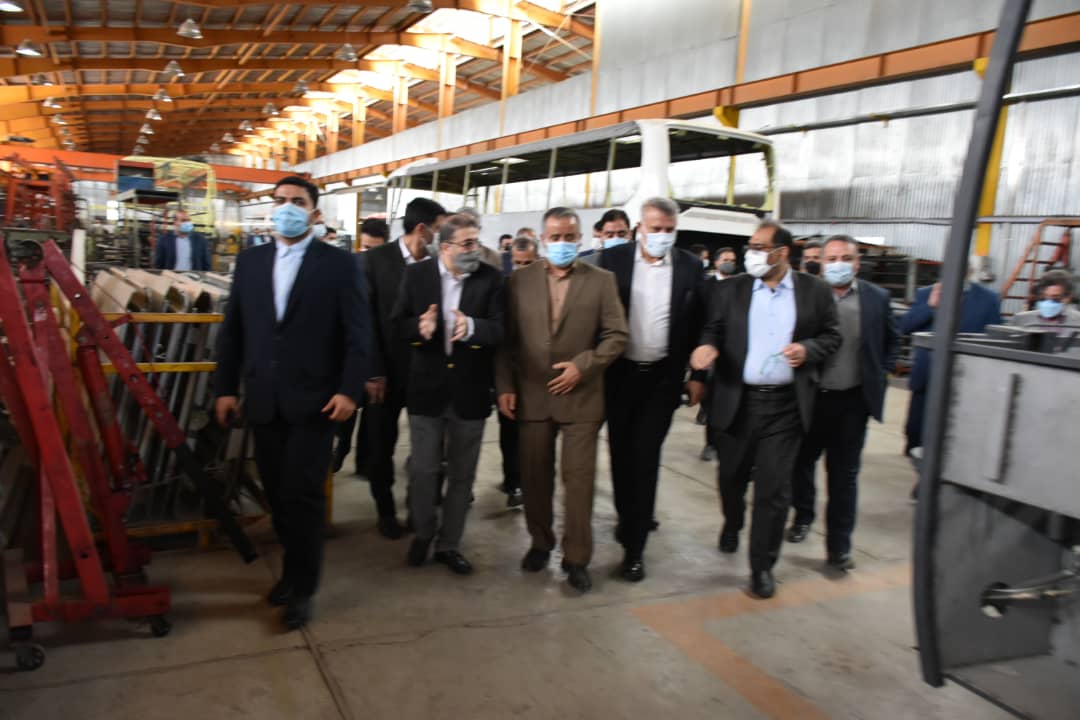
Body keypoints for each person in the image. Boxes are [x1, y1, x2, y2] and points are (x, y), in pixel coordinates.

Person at [214, 175, 370, 630]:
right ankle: (291, 569)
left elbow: (359, 334)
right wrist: (225, 388)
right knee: (277, 495)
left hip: (317, 402)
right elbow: (233, 331)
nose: (287, 208)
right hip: (264, 399)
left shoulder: (339, 265)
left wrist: (349, 390)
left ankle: (302, 587)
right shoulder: (251, 262)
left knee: (302, 495)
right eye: (280, 200)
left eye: (297, 202)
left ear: (314, 213)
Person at [690, 220, 840, 599]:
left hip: (786, 407)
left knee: (774, 490)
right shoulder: (732, 289)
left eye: (759, 247)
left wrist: (808, 350)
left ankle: (762, 566)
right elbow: (713, 328)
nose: (750, 254)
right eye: (750, 247)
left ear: (782, 253)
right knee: (731, 478)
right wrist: (707, 348)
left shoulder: (815, 291)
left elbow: (831, 335)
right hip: (737, 401)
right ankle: (732, 522)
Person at [496, 207, 628, 594]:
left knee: (579, 481)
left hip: (581, 397)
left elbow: (617, 335)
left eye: (570, 237)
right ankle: (540, 542)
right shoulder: (519, 281)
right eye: (555, 237)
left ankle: (577, 557)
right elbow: (506, 340)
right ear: (542, 239)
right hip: (532, 395)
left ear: (580, 238)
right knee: (534, 477)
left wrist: (583, 366)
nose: (562, 244)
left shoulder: (601, 281)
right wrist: (505, 386)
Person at [599, 197, 706, 582]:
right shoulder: (613, 261)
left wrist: (698, 375)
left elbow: (702, 323)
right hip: (618, 376)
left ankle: (635, 548)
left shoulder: (691, 267)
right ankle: (627, 517)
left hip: (662, 379)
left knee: (645, 458)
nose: (662, 236)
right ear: (639, 229)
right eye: (655, 228)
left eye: (669, 230)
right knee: (620, 455)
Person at [392, 214, 505, 575]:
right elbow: (397, 324)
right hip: (426, 391)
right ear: (445, 247)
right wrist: (419, 328)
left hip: (470, 392)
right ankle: (424, 533)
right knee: (423, 471)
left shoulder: (491, 279)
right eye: (468, 244)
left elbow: (501, 330)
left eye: (477, 242)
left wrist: (471, 327)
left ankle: (449, 544)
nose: (476, 250)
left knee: (461, 475)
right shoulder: (417, 276)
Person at [787, 235, 900, 571]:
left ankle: (839, 547)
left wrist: (880, 373)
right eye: (832, 258)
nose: (839, 264)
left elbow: (892, 340)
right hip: (810, 400)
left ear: (858, 262)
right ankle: (803, 517)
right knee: (800, 465)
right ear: (821, 263)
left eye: (846, 258)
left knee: (844, 477)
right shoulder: (804, 295)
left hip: (852, 403)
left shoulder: (876, 298)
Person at [364, 197, 448, 538]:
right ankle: (385, 510)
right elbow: (364, 321)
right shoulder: (374, 261)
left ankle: (420, 508)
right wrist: (373, 370)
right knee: (380, 443)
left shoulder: (439, 264)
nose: (442, 236)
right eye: (439, 229)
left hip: (426, 372)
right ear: (422, 229)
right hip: (384, 373)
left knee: (428, 446)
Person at [900, 259, 1001, 454]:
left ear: (969, 273)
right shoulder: (926, 294)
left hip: (966, 377)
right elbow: (905, 326)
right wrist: (930, 307)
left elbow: (994, 337)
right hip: (927, 376)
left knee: (956, 432)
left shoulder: (989, 299)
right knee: (917, 430)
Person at [497, 235, 540, 506]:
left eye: (528, 263)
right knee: (510, 432)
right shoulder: (503, 290)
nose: (522, 268)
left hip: (540, 378)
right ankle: (513, 482)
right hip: (512, 375)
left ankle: (532, 481)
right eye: (517, 263)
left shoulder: (548, 289)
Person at [698, 245, 741, 462]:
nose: (729, 263)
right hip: (707, 346)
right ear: (716, 262)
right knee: (711, 397)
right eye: (725, 259)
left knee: (722, 397)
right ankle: (710, 442)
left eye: (732, 260)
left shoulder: (740, 286)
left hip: (730, 349)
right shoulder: (706, 286)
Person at [1010, 270, 1080, 335]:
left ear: (1068, 298)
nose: (1048, 302)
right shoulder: (1021, 319)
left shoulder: (1078, 321)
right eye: (1044, 297)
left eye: (1055, 298)